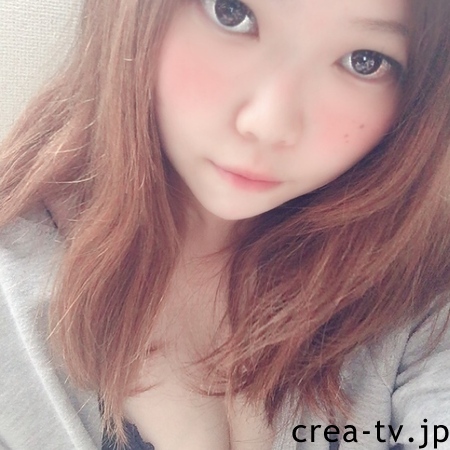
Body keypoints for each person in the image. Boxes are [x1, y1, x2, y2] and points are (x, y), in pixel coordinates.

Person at [0, 0, 450, 449]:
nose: (269, 124)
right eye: (231, 13)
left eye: (364, 61)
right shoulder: (13, 285)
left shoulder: (415, 281)